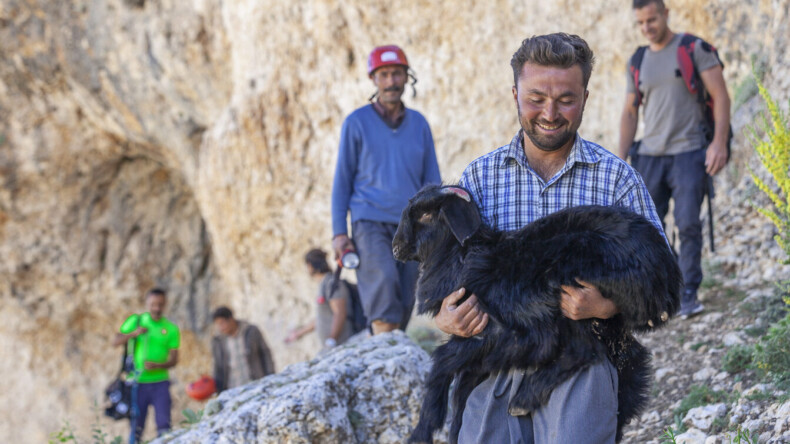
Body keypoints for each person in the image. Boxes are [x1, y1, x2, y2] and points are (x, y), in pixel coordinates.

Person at [434, 33, 668, 443]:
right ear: (515, 94)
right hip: (491, 370)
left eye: (566, 99)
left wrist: (607, 304)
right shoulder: (479, 180)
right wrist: (445, 316)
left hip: (581, 364)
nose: (550, 113)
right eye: (536, 97)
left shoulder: (617, 182)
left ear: (586, 97)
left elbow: (663, 289)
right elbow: (443, 280)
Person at [619, 0, 731, 319]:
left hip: (689, 150)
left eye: (651, 20)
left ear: (666, 14)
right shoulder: (638, 60)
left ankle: (689, 292)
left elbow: (721, 96)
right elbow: (629, 111)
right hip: (650, 155)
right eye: (640, 23)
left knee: (688, 223)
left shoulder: (694, 48)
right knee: (647, 228)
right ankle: (670, 286)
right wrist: (620, 157)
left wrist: (719, 143)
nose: (646, 28)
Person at [331, 45, 441, 335]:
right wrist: (339, 233)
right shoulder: (356, 123)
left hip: (411, 225)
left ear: (407, 78)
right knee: (382, 283)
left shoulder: (419, 125)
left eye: (397, 74)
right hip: (370, 221)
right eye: (385, 75)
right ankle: (383, 348)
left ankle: (390, 349)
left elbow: (432, 181)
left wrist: (434, 225)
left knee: (406, 298)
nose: (391, 81)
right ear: (374, 80)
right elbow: (342, 181)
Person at [112, 288, 179, 443]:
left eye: (160, 305)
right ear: (147, 303)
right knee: (136, 427)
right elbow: (115, 341)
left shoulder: (171, 329)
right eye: (153, 304)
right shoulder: (136, 321)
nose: (156, 308)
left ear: (165, 305)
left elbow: (174, 360)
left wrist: (158, 365)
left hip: (160, 382)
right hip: (137, 383)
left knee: (164, 425)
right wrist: (134, 333)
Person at [284, 248, 355, 349]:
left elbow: (340, 313)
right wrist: (298, 334)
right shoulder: (324, 284)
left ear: (310, 265)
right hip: (334, 346)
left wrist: (332, 339)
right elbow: (320, 319)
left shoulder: (331, 283)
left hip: (342, 344)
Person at [211, 306, 275, 393]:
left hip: (256, 384)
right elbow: (218, 366)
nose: (221, 327)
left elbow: (265, 353)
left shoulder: (251, 331)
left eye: (222, 323)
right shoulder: (218, 341)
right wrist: (218, 389)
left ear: (231, 319)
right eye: (218, 324)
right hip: (233, 389)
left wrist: (270, 376)